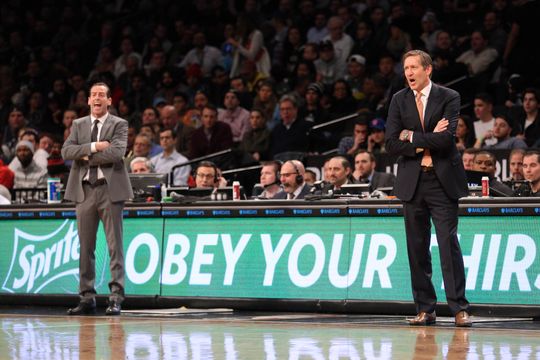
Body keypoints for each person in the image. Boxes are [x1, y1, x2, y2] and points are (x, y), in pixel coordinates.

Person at [385, 50, 472, 327]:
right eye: (406, 68)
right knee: (417, 248)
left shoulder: (449, 97)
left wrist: (411, 137)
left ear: (428, 70)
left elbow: (446, 141)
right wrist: (426, 139)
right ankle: (426, 309)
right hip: (413, 182)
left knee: (448, 245)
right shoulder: (399, 100)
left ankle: (459, 308)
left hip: (442, 181)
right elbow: (391, 143)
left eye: (413, 67)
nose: (408, 73)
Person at [62, 82, 133, 316]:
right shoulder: (78, 124)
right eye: (93, 95)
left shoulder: (119, 124)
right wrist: (94, 146)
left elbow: (116, 153)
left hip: (109, 190)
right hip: (84, 191)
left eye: (101, 95)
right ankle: (87, 296)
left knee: (115, 246)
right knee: (86, 247)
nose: (96, 98)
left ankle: (116, 297)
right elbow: (66, 152)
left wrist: (84, 155)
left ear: (109, 101)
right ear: (89, 100)